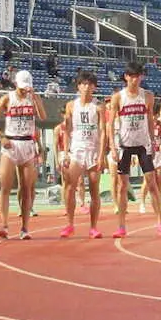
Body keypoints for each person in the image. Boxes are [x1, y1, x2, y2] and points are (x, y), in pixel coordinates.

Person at [108, 62, 161, 238]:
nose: (135, 80)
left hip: (143, 145)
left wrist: (153, 142)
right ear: (126, 77)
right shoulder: (118, 97)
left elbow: (150, 120)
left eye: (138, 76)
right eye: (132, 76)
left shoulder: (148, 96)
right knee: (122, 187)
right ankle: (121, 226)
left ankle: (160, 223)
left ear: (141, 77)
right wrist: (112, 146)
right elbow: (110, 124)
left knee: (152, 184)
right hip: (125, 145)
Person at [0, 69, 47, 240]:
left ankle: (25, 227)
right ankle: (4, 225)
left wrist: (36, 98)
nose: (24, 90)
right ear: (16, 84)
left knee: (27, 188)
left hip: (28, 144)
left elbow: (43, 117)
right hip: (11, 144)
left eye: (26, 87)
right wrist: (1, 136)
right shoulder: (8, 98)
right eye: (22, 87)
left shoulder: (33, 99)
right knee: (5, 187)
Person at [59, 70, 106, 238]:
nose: (86, 87)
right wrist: (65, 153)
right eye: (83, 84)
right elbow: (67, 130)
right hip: (77, 150)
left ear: (94, 87)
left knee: (94, 190)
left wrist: (101, 155)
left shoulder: (98, 106)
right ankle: (70, 224)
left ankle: (93, 227)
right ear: (78, 86)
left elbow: (102, 132)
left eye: (89, 84)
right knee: (70, 186)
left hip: (93, 150)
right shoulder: (71, 105)